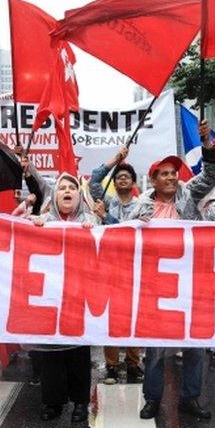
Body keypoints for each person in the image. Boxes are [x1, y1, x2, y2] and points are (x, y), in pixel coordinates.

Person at [137, 119, 215, 421]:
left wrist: (207, 144)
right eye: (165, 174)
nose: (172, 177)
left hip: (190, 282)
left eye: (174, 173)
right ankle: (153, 399)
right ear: (155, 180)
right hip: (156, 285)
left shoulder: (189, 195)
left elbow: (211, 174)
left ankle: (189, 398)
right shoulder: (139, 208)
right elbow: (117, 235)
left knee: (195, 345)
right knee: (156, 347)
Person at [30, 173, 99, 422]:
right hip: (50, 298)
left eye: (72, 187)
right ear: (54, 196)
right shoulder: (44, 221)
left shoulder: (90, 221)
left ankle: (80, 401)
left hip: (79, 298)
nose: (67, 191)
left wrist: (94, 230)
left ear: (79, 196)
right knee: (51, 354)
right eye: (62, 188)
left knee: (79, 353)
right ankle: (53, 402)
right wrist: (33, 225)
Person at [88, 147, 142, 385]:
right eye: (118, 176)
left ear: (133, 182)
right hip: (109, 267)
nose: (122, 178)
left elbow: (128, 233)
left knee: (133, 316)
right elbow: (93, 180)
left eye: (126, 176)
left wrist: (106, 219)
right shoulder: (106, 201)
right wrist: (115, 161)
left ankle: (133, 363)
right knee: (111, 318)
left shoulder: (142, 206)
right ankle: (111, 365)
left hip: (134, 268)